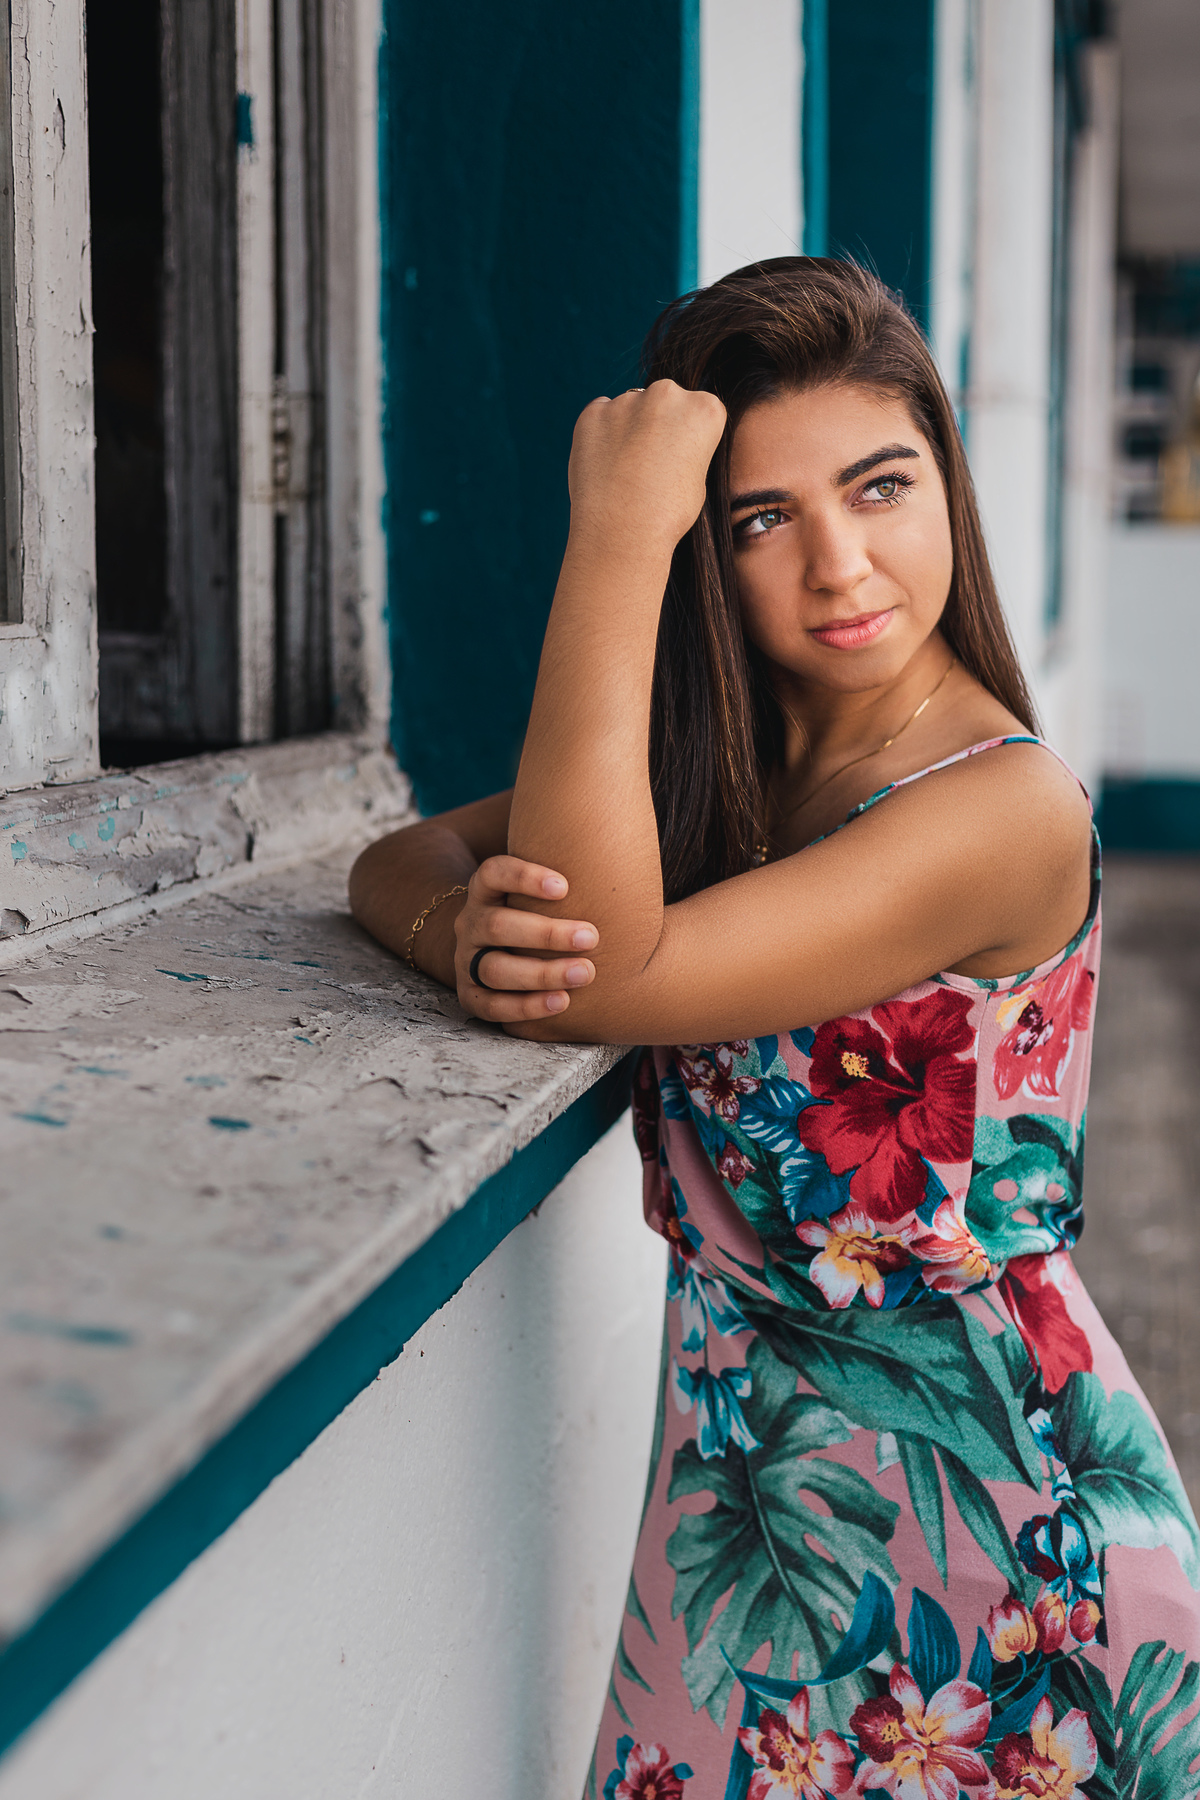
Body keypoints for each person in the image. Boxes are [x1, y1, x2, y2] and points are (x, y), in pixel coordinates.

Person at [350, 259, 1200, 1799]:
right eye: (759, 521)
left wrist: (613, 531)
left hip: (1006, 1553)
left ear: (948, 477)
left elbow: (595, 972)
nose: (839, 564)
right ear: (713, 556)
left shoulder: (1002, 810)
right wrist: (455, 931)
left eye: (881, 487)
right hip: (754, 1493)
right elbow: (397, 861)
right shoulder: (723, 779)